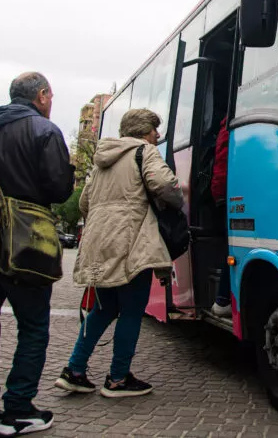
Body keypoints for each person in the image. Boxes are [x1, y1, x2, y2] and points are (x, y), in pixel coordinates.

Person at [0, 72, 74, 437]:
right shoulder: (45, 131)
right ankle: (18, 409)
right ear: (41, 95)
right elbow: (58, 189)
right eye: (51, 96)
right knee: (33, 326)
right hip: (27, 243)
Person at [54, 108, 184, 399]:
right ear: (143, 132)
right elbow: (165, 185)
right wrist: (176, 201)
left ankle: (75, 370)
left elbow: (84, 203)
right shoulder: (144, 152)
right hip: (132, 242)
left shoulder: (102, 159)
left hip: (100, 242)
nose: (157, 136)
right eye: (154, 130)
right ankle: (117, 378)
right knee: (131, 310)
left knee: (103, 308)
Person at [210, 117, 232, 318]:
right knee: (233, 245)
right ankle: (222, 299)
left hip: (223, 187)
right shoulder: (232, 120)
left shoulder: (228, 120)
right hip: (227, 188)